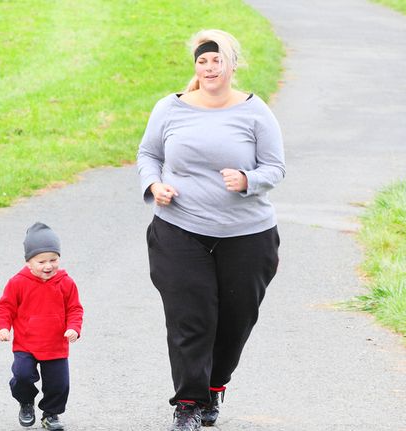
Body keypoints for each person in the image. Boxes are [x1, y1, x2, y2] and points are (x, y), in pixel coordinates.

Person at [137, 29, 284, 431]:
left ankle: (215, 384)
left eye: (216, 60)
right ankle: (188, 402)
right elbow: (149, 153)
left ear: (232, 65)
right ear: (195, 66)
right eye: (202, 60)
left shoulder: (255, 111)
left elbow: (276, 167)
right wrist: (154, 185)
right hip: (179, 229)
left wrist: (247, 180)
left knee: (236, 320)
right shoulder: (170, 107)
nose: (209, 67)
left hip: (248, 234)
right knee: (190, 318)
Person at [0, 223, 84, 431]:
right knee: (22, 375)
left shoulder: (66, 283)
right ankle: (26, 402)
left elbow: (75, 309)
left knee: (59, 385)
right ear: (29, 262)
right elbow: (5, 307)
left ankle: (50, 415)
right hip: (26, 343)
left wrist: (74, 328)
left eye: (53, 260)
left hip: (56, 345)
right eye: (41, 261)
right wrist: (3, 327)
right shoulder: (18, 282)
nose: (48, 266)